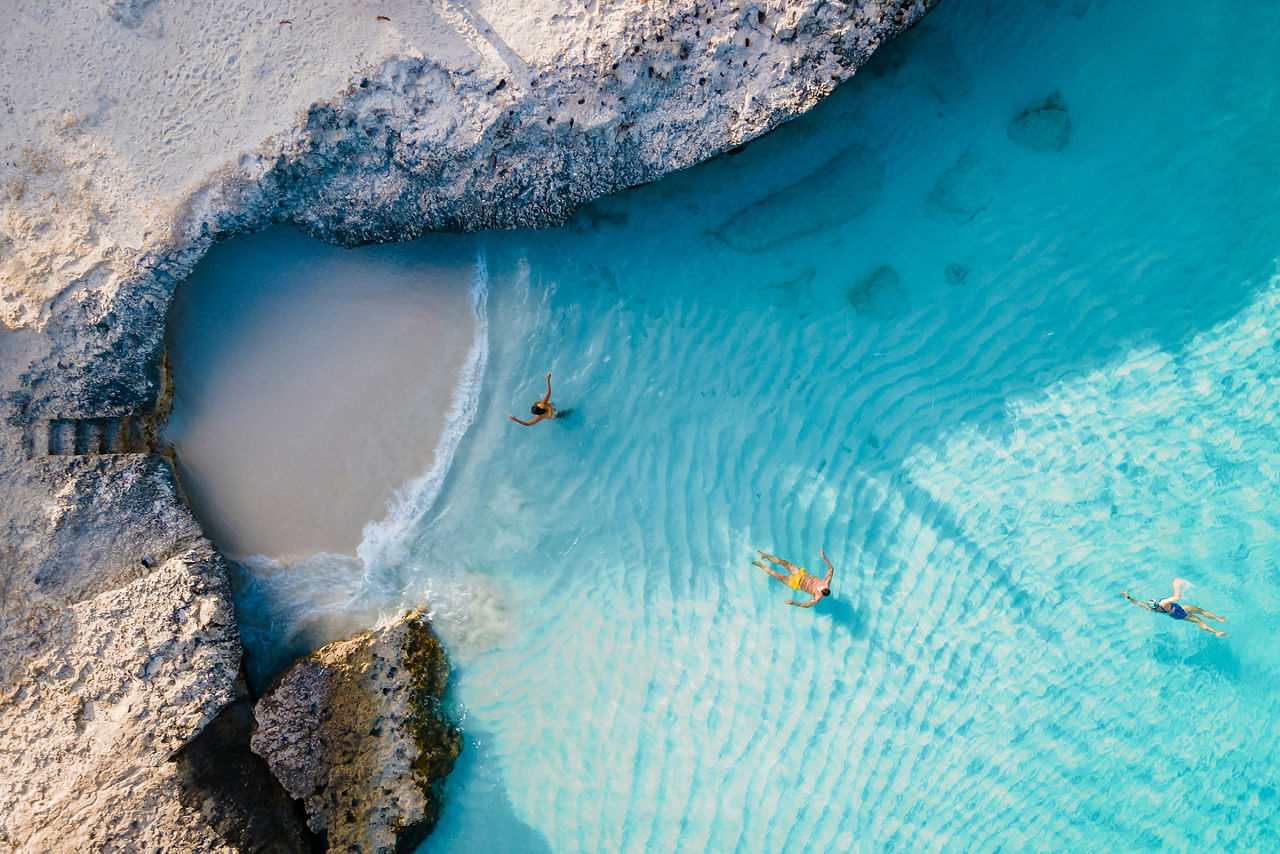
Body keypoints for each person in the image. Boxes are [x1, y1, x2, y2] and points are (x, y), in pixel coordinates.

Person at [1122, 578, 1226, 637]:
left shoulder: (1152, 609)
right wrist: (1177, 585)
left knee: (1197, 621)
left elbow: (1139, 603)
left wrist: (1128, 597)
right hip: (1180, 609)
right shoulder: (1163, 603)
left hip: (1176, 616)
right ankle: (1218, 619)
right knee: (1200, 611)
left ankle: (1215, 632)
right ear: (1157, 603)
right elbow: (1177, 597)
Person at [753, 548, 834, 608]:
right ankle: (765, 556)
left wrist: (793, 603)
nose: (820, 587)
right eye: (822, 587)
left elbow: (806, 605)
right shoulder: (826, 582)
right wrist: (824, 557)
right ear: (826, 587)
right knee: (783, 562)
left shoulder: (818, 597)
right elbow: (831, 569)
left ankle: (760, 565)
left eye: (820, 590)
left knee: (776, 574)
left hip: (795, 583)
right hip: (800, 573)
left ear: (821, 593)